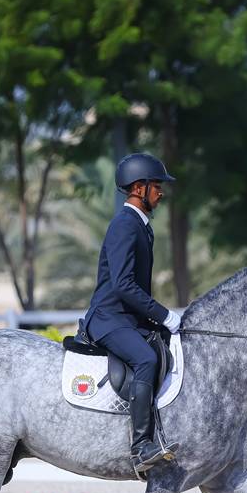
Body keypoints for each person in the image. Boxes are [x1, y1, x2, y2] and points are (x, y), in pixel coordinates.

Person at [83, 152, 181, 472]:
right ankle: (141, 447)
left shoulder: (141, 225)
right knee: (146, 359)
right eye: (157, 186)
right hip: (109, 318)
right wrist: (164, 315)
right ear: (139, 188)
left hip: (128, 318)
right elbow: (124, 285)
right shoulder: (125, 225)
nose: (161, 192)